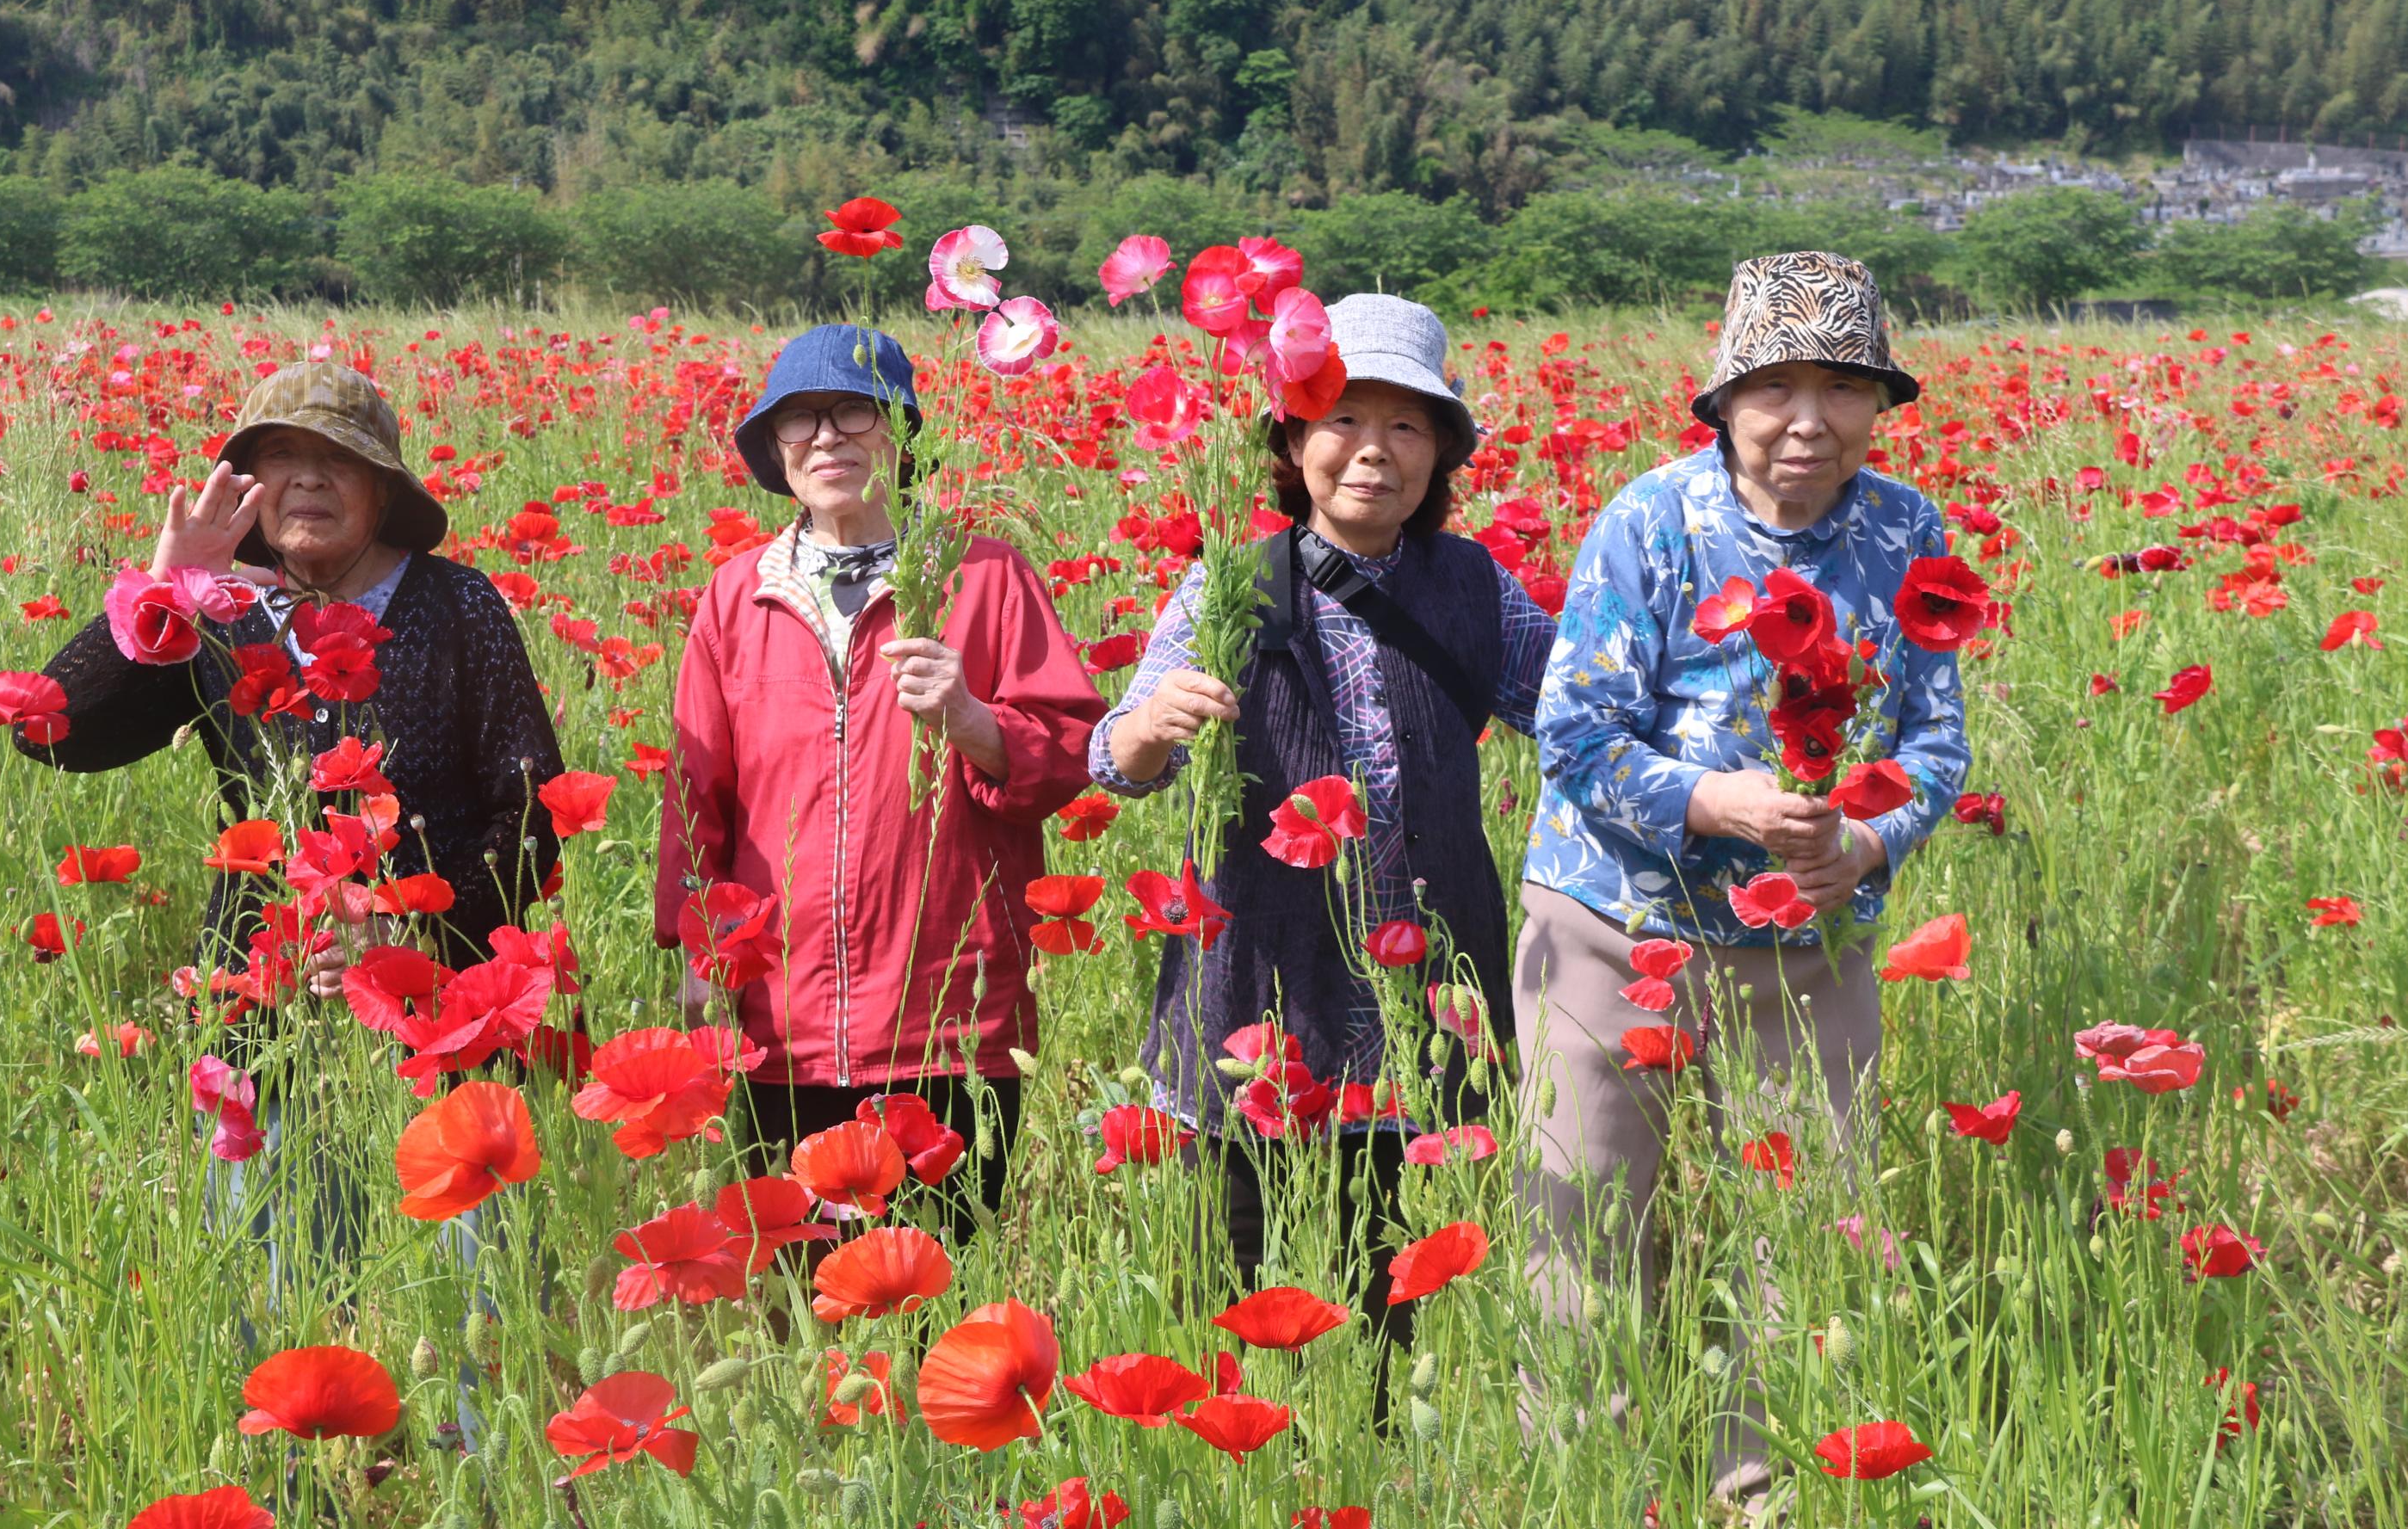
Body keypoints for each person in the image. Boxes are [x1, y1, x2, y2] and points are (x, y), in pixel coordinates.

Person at [1513, 252, 1972, 1495]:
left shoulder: (1906, 530)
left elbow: (1936, 742)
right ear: (1723, 400)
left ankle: (1761, 1487)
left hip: (1805, 947)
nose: (1807, 420)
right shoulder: (1650, 520)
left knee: (1805, 1234)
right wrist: (1710, 798)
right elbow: (1573, 731)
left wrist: (1866, 841)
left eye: (1842, 387)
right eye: (1776, 387)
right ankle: (1594, 1478)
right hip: (1618, 925)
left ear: (1880, 404)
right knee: (1594, 1220)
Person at [17, 360, 569, 1318]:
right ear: (249, 490)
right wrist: (167, 586)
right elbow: (54, 731)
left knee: (477, 1309)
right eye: (280, 458)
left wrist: (411, 934)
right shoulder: (220, 617)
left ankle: (473, 1472)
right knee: (282, 1309)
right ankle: (298, 1479)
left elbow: (531, 811)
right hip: (261, 1019)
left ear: (384, 491)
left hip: (443, 1011)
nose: (305, 479)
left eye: (335, 460)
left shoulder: (455, 605)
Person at [1094, 293, 1556, 1328]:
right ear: (1293, 438)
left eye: (1406, 426)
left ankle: (1382, 1472)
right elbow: (1114, 762)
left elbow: (1578, 714)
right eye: (1343, 419)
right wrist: (1155, 721)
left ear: (1439, 453)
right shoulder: (1225, 585)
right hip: (1258, 987)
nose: (1372, 450)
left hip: (1424, 989)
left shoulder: (1475, 588)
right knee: (1240, 1284)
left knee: (1400, 1281)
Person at [659, 324, 1104, 1231]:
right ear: (773, 451)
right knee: (807, 1299)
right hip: (778, 1018)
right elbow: (694, 795)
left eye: (852, 412)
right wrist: (705, 955)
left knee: (938, 1303)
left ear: (899, 433)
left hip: (946, 1014)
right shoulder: (736, 595)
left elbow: (1070, 748)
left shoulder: (981, 576)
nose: (825, 438)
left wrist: (975, 722)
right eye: (797, 422)